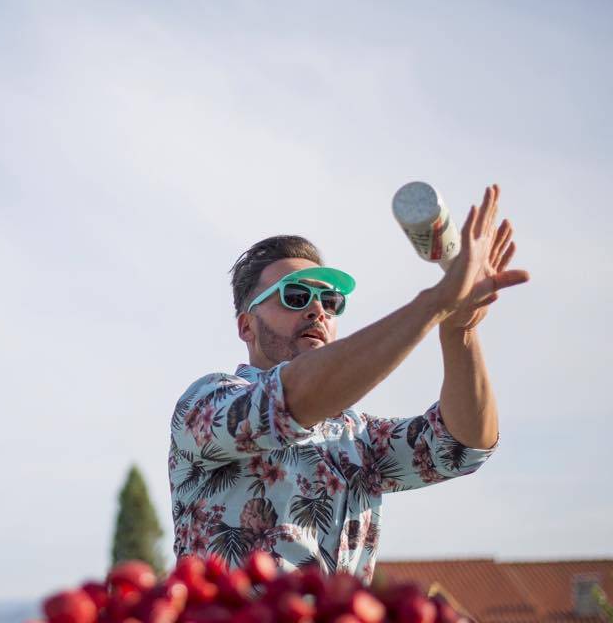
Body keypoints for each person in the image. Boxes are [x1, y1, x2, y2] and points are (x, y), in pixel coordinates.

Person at [168, 185, 529, 582]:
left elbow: (463, 445)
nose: (317, 309)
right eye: (295, 295)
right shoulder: (205, 403)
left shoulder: (360, 439)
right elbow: (289, 402)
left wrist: (459, 330)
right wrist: (434, 303)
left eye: (330, 301)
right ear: (246, 325)